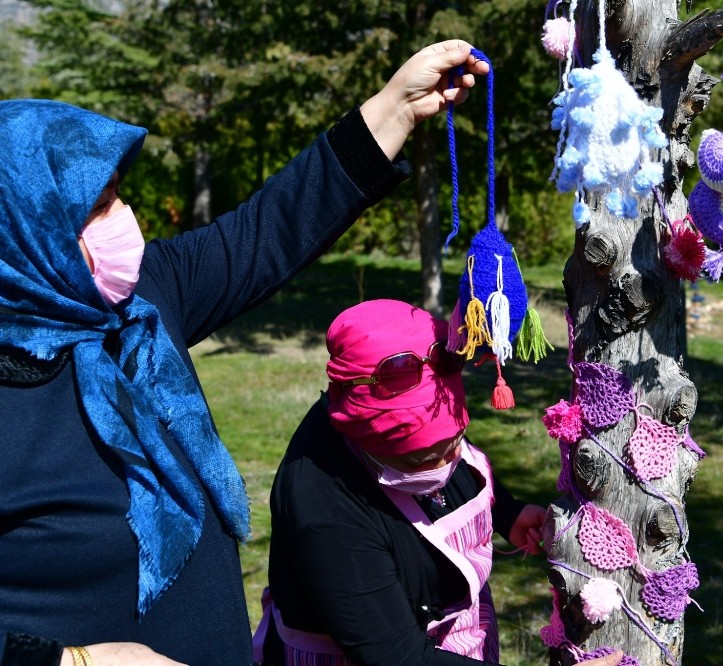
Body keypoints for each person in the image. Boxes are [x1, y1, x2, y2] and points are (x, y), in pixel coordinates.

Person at [0, 41, 489, 666]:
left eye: (119, 195)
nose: (126, 219)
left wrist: (397, 107)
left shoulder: (144, 301)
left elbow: (269, 229)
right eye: (98, 208)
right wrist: (72, 661)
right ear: (24, 235)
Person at [256, 300, 622, 666]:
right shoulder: (324, 508)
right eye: (421, 458)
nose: (448, 462)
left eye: (454, 441)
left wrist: (506, 512)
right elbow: (398, 659)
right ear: (368, 437)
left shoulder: (425, 393)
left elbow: (454, 456)